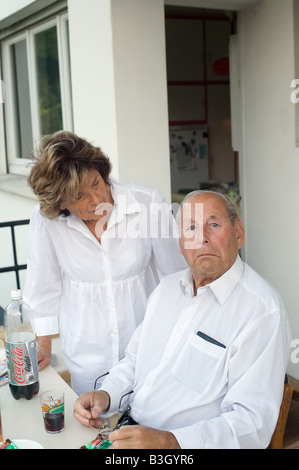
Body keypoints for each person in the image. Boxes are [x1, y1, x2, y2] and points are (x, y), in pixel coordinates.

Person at [74, 190, 292, 449]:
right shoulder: (166, 289)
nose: (202, 238)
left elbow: (251, 423)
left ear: (238, 233)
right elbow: (134, 361)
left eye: (213, 224)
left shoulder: (262, 310)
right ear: (181, 243)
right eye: (191, 228)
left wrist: (171, 442)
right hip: (129, 432)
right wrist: (106, 395)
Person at [23, 130, 186, 395]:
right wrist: (43, 346)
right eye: (79, 196)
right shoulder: (46, 221)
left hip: (146, 348)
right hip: (87, 357)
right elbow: (43, 287)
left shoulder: (146, 203)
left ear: (101, 170)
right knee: (94, 430)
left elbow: (177, 275)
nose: (96, 199)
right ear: (60, 203)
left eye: (96, 183)